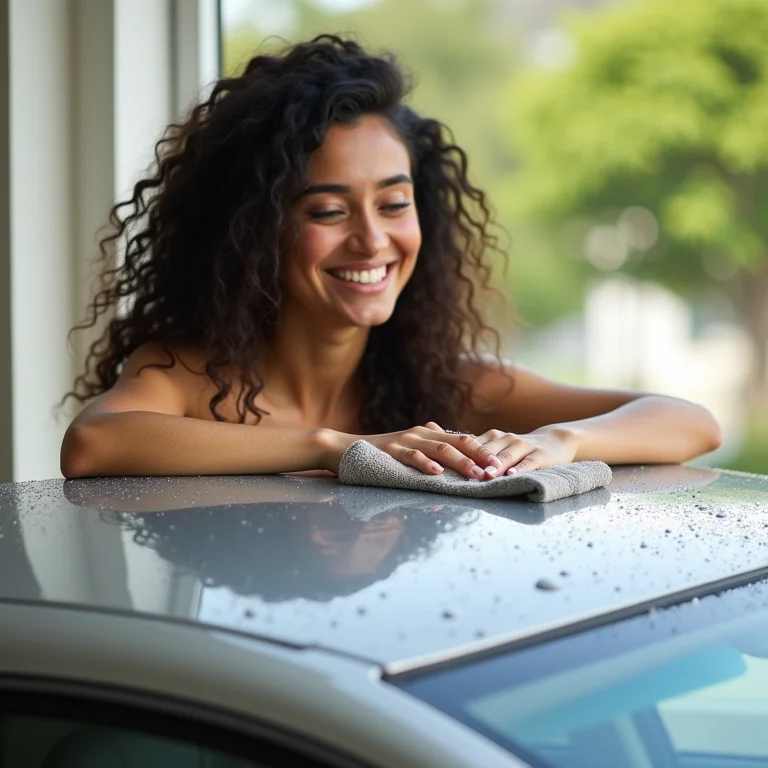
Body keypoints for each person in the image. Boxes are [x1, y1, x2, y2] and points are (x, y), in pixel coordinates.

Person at [60, 35, 721, 481]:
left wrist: (562, 441)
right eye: (328, 210)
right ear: (254, 231)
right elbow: (93, 443)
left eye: (394, 204)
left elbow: (691, 422)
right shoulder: (186, 378)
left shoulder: (450, 382)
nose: (373, 241)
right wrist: (340, 446)